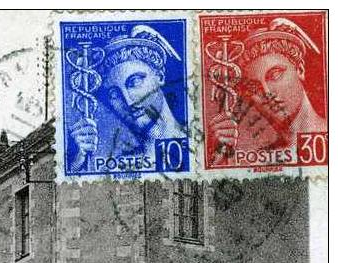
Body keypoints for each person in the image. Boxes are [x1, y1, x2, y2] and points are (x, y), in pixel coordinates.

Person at [68, 24, 187, 172]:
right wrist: (78, 161)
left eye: (135, 82)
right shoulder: (119, 163)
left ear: (160, 76)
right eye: (114, 94)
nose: (128, 102)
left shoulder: (201, 143)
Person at [209, 17, 326, 158]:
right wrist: (218, 156)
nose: (267, 93)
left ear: (300, 69)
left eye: (275, 75)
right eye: (254, 87)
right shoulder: (259, 157)